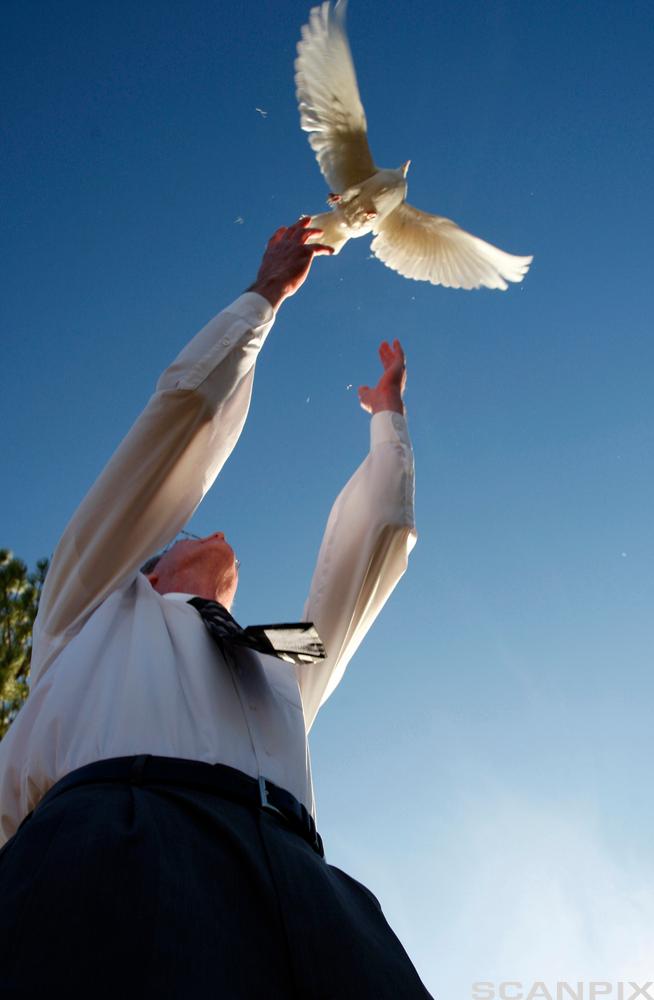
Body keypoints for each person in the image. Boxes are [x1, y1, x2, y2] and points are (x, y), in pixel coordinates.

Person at [0, 218, 430, 998]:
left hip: (308, 893)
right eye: (191, 533)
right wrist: (264, 296)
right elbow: (175, 428)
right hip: (118, 852)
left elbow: (372, 562)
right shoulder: (95, 602)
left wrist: (386, 425)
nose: (221, 531)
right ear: (153, 567)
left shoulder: (275, 655)